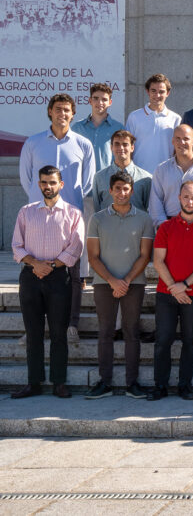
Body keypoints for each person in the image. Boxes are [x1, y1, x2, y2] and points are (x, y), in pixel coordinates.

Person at [19, 93, 95, 343]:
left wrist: (69, 205)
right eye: (58, 109)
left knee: (72, 273)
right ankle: (33, 327)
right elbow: (26, 178)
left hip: (70, 217)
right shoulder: (33, 143)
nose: (62, 113)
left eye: (67, 110)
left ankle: (71, 324)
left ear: (73, 114)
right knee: (34, 271)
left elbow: (87, 182)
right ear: (50, 112)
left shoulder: (83, 144)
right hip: (38, 216)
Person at [10, 166, 84, 399]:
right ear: (39, 184)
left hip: (59, 278)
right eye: (44, 182)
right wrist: (35, 264)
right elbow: (16, 246)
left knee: (59, 333)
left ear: (61, 185)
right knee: (33, 333)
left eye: (52, 182)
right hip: (30, 277)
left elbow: (76, 247)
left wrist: (50, 266)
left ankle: (59, 383)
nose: (48, 186)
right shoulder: (26, 212)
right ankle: (34, 383)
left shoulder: (73, 213)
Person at [84, 172, 154, 401]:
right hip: (104, 283)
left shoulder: (144, 219)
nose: (122, 193)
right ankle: (104, 382)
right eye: (117, 188)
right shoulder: (97, 219)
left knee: (131, 331)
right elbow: (93, 257)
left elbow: (145, 255)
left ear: (132, 191)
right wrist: (113, 281)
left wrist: (127, 280)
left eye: (126, 189)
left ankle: (132, 383)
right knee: (105, 331)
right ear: (110, 191)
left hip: (134, 284)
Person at [148, 180, 193, 401]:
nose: (189, 201)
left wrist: (184, 285)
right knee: (163, 340)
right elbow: (158, 261)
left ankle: (185, 386)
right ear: (179, 198)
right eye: (186, 197)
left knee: (190, 340)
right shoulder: (166, 227)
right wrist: (174, 288)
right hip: (166, 294)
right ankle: (160, 385)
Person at [149, 125, 193, 226]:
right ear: (173, 141)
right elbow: (155, 201)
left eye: (186, 139)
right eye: (178, 138)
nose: (182, 142)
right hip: (169, 226)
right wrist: (164, 227)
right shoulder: (161, 170)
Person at [125, 73, 181, 175]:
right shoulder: (134, 117)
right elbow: (128, 148)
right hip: (138, 176)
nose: (157, 95)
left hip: (166, 176)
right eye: (153, 91)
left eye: (161, 92)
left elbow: (177, 151)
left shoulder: (176, 119)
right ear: (148, 91)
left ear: (167, 93)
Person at [92, 130, 152, 212]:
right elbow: (97, 209)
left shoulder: (146, 178)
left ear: (132, 148)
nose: (121, 148)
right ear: (111, 147)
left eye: (125, 144)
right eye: (117, 144)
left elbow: (149, 210)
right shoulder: (99, 178)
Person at [71, 82, 123, 172]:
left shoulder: (119, 129)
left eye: (104, 99)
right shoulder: (77, 128)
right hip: (82, 178)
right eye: (96, 98)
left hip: (109, 179)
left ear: (110, 102)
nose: (100, 102)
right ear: (90, 101)